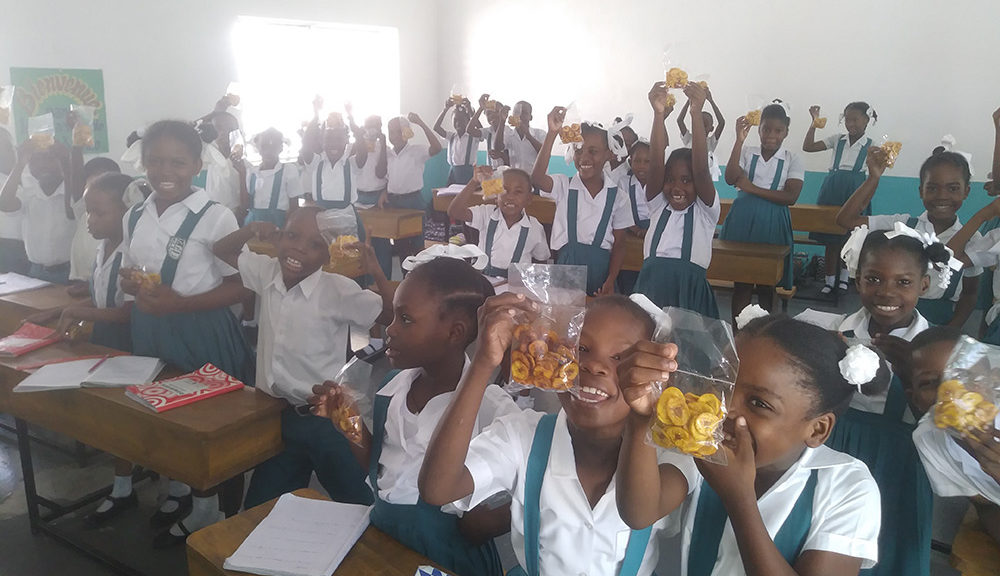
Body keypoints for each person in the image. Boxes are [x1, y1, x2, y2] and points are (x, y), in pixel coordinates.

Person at [419, 295, 698, 576]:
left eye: (620, 358)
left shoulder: (669, 452)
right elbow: (437, 488)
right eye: (582, 348)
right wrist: (483, 363)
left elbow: (639, 514)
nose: (593, 366)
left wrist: (642, 417)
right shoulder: (523, 436)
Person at [616, 313, 884, 576]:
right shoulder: (707, 446)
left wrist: (740, 500)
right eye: (724, 388)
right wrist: (640, 418)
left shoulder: (847, 487)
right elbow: (640, 513)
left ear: (818, 429)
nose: (724, 410)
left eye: (759, 403)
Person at [310, 257, 518, 576]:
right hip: (385, 541)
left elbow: (513, 504)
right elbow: (382, 472)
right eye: (394, 315)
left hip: (447, 558)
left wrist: (480, 519)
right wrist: (349, 423)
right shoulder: (392, 388)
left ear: (454, 333)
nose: (390, 330)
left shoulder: (491, 410)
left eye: (405, 319)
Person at [119, 120, 254, 546]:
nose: (165, 170)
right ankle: (179, 491)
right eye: (155, 160)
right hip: (150, 328)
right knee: (164, 414)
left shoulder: (215, 216)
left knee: (204, 423)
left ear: (197, 164)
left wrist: (181, 303)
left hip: (200, 331)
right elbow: (135, 266)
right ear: (143, 163)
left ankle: (208, 512)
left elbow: (242, 286)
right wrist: (130, 283)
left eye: (177, 161)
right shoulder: (135, 213)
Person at [212, 207, 393, 508]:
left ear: (328, 256)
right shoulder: (266, 271)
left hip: (330, 420)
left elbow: (388, 315)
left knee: (362, 505)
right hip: (280, 418)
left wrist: (375, 270)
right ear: (279, 237)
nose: (298, 248)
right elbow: (220, 249)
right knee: (260, 509)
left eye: (315, 244)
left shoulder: (337, 290)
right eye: (292, 236)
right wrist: (252, 229)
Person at [800, 227, 949, 576]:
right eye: (874, 279)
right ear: (857, 279)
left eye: (903, 282)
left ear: (923, 285)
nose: (886, 292)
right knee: (831, 535)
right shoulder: (839, 330)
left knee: (889, 542)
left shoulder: (936, 347)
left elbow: (943, 427)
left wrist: (912, 374)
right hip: (838, 445)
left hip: (900, 461)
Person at [837, 151, 980, 328]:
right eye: (932, 188)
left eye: (953, 188)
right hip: (886, 313)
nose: (942, 195)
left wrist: (951, 329)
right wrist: (873, 178)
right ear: (921, 191)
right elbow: (846, 220)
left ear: (966, 191)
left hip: (937, 320)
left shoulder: (972, 239)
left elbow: (970, 293)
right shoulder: (902, 224)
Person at [908, 328, 1000, 555]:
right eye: (930, 382)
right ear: (916, 400)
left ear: (992, 376)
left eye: (965, 376)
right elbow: (985, 505)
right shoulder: (929, 440)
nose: (951, 392)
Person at [634, 82, 720, 317]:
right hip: (650, 288)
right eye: (670, 179)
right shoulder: (658, 205)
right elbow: (656, 159)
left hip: (689, 291)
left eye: (686, 180)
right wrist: (659, 115)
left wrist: (695, 112)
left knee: (686, 348)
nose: (676, 187)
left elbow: (701, 170)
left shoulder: (705, 212)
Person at [532, 108, 632, 295]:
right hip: (565, 270)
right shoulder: (564, 185)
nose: (584, 157)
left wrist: (611, 280)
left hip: (601, 275)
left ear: (609, 154)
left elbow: (620, 245)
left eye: (593, 151)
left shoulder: (619, 197)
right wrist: (552, 133)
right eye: (578, 150)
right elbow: (537, 178)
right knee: (563, 319)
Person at [719, 101, 804, 318]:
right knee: (742, 283)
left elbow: (790, 197)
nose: (770, 135)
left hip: (772, 223)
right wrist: (738, 141)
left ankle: (766, 334)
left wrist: (751, 188)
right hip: (743, 221)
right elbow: (730, 178)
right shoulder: (748, 152)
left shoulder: (792, 159)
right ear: (759, 128)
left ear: (786, 132)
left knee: (768, 284)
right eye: (766, 129)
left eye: (778, 130)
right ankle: (739, 336)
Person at [802, 102, 876, 295]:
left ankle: (844, 278)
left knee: (849, 238)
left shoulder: (872, 146)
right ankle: (829, 280)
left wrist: (866, 200)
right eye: (847, 119)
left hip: (856, 189)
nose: (850, 124)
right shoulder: (837, 140)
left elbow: (875, 178)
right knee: (830, 239)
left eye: (855, 119)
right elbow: (808, 147)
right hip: (832, 189)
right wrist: (814, 123)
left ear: (867, 120)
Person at [371, 113, 443, 275]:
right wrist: (384, 191)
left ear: (405, 132)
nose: (393, 136)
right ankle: (406, 278)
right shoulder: (387, 153)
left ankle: (421, 278)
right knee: (401, 245)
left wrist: (421, 123)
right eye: (390, 131)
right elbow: (387, 176)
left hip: (414, 202)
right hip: (395, 203)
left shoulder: (416, 151)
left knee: (418, 246)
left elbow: (437, 148)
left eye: (397, 131)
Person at [447, 166, 549, 278]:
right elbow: (454, 212)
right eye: (505, 190)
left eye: (518, 192)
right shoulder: (486, 214)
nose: (510, 197)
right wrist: (474, 182)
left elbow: (541, 261)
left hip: (516, 286)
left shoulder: (535, 228)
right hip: (484, 281)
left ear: (529, 199)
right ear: (496, 196)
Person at [0, 139, 74, 283]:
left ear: (61, 160)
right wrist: (20, 163)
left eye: (49, 158)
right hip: (36, 272)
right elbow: (4, 203)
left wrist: (67, 163)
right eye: (35, 160)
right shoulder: (28, 192)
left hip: (69, 272)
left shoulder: (72, 192)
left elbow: (73, 209)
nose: (42, 165)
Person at [236, 127, 301, 228]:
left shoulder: (288, 171)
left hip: (277, 226)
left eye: (273, 147)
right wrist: (242, 174)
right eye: (264, 146)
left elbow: (294, 207)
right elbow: (245, 205)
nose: (268, 151)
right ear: (258, 148)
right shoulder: (252, 172)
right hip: (252, 225)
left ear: (281, 148)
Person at [677, 85, 725, 182]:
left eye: (705, 124)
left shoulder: (711, 142)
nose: (701, 126)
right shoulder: (689, 139)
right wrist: (689, 100)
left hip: (703, 176)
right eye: (699, 123)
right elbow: (680, 121)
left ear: (711, 129)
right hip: (687, 172)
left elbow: (722, 122)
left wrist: (711, 100)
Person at [434, 97, 481, 185]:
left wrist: (470, 111)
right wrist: (445, 109)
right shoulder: (451, 136)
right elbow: (436, 128)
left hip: (469, 174)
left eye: (461, 120)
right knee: (452, 197)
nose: (458, 123)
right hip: (453, 174)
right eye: (455, 120)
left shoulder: (473, 136)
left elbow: (481, 130)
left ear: (468, 121)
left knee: (468, 197)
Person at [0, 126, 27, 274]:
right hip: (8, 248)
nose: (5, 153)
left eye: (8, 147)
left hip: (34, 249)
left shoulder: (28, 174)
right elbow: (6, 203)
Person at [497, 101, 546, 174]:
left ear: (530, 117)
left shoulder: (540, 133)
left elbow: (545, 154)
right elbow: (498, 148)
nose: (520, 116)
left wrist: (528, 135)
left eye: (524, 113)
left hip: (536, 179)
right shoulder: (509, 134)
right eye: (517, 112)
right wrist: (502, 121)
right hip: (517, 180)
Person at [467, 94, 512, 168]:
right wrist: (481, 108)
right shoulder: (488, 132)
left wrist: (501, 155)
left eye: (497, 112)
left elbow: (501, 148)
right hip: (491, 172)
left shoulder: (509, 132)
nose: (493, 115)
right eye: (489, 113)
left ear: (504, 114)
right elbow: (470, 130)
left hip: (507, 171)